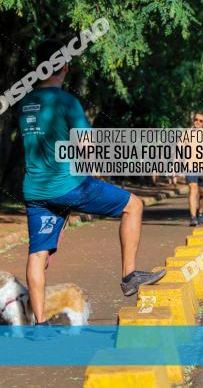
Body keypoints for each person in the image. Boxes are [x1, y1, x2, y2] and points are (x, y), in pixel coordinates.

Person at [17, 39, 165, 322]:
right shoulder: (67, 101)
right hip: (70, 185)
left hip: (35, 189)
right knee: (133, 205)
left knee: (38, 254)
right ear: (64, 66)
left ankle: (39, 322)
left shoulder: (25, 102)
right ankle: (129, 276)